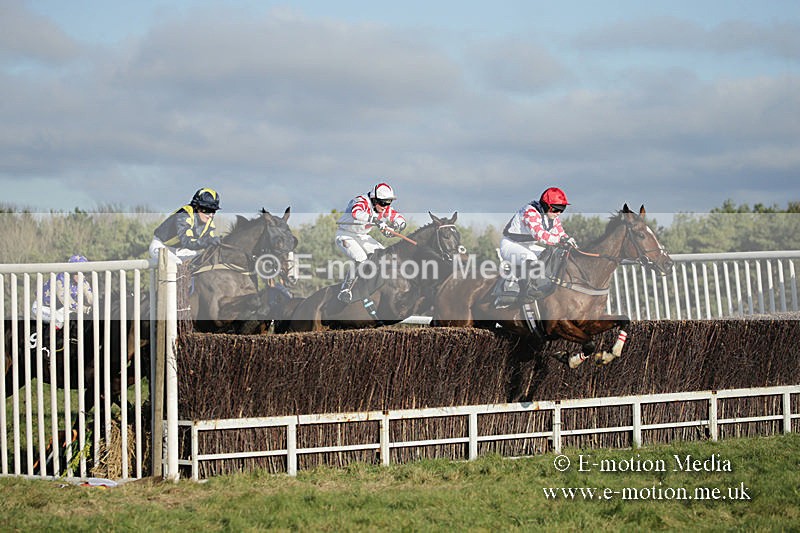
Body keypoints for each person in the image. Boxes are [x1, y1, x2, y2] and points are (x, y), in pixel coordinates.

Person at [498, 186, 577, 301]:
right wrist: (560, 240)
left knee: (550, 256)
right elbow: (540, 235)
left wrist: (571, 243)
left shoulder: (552, 217)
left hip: (527, 246)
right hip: (510, 245)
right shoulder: (530, 212)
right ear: (546, 205)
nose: (559, 213)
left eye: (562, 209)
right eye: (556, 209)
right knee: (531, 258)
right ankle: (522, 292)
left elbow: (560, 233)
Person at [334, 182, 408, 302]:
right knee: (361, 258)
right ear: (374, 199)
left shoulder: (383, 207)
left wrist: (396, 226)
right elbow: (356, 213)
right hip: (345, 235)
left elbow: (400, 219)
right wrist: (376, 221)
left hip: (362, 236)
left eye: (389, 202)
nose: (385, 206)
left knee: (385, 256)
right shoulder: (360, 201)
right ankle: (345, 289)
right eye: (383, 203)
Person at [149, 187, 221, 264]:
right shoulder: (184, 214)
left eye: (213, 211)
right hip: (161, 246)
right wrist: (208, 241)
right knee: (177, 263)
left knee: (201, 259)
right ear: (196, 207)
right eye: (207, 210)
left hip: (181, 250)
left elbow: (209, 242)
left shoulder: (209, 222)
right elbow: (187, 241)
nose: (210, 215)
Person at [31, 254, 94, 329]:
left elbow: (90, 298)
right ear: (71, 271)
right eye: (76, 272)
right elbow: (66, 300)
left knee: (74, 319)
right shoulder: (60, 279)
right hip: (42, 308)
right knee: (59, 322)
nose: (81, 275)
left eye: (84, 273)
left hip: (59, 310)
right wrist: (85, 309)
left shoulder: (83, 282)